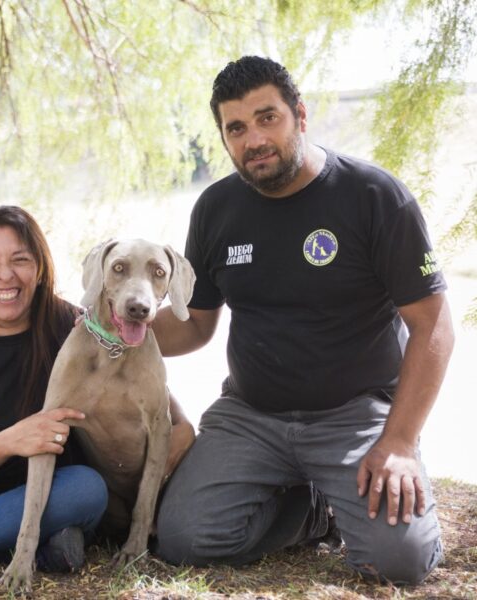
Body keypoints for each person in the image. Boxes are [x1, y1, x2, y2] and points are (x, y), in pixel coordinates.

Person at [152, 56, 454, 586]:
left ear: (300, 115)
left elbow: (434, 327)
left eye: (268, 118)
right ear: (224, 138)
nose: (254, 140)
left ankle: (338, 489)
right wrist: (112, 329)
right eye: (236, 128)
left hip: (355, 414)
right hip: (251, 414)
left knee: (397, 563)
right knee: (185, 539)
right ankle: (312, 507)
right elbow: (195, 325)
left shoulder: (374, 197)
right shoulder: (215, 209)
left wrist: (400, 443)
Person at [0, 205, 194, 570]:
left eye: (20, 260)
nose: (5, 275)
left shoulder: (75, 326)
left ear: (40, 267)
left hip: (55, 491)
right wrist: (11, 440)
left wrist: (181, 422)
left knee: (87, 489)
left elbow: (141, 382)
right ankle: (25, 539)